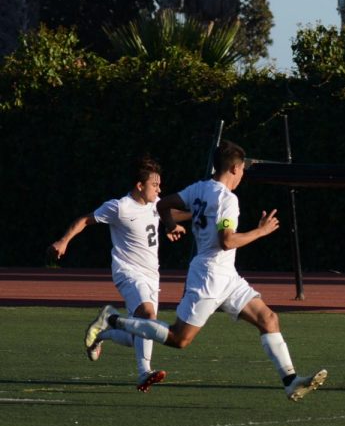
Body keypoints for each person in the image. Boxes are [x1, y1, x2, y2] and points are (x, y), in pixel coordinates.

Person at [84, 140, 327, 401]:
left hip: (226, 276)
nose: (242, 175)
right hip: (209, 276)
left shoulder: (199, 188)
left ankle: (290, 381)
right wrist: (261, 231)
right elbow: (227, 241)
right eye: (243, 170)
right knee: (180, 339)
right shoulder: (227, 200)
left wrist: (168, 224)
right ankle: (113, 320)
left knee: (268, 319)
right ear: (235, 168)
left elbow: (162, 204)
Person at [49, 155, 173, 392]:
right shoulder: (120, 207)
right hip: (128, 272)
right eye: (155, 185)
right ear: (139, 186)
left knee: (137, 334)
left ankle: (105, 329)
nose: (159, 189)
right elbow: (86, 219)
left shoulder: (156, 204)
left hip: (151, 276)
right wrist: (63, 241)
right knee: (147, 317)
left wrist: (195, 215)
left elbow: (173, 215)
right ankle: (143, 372)